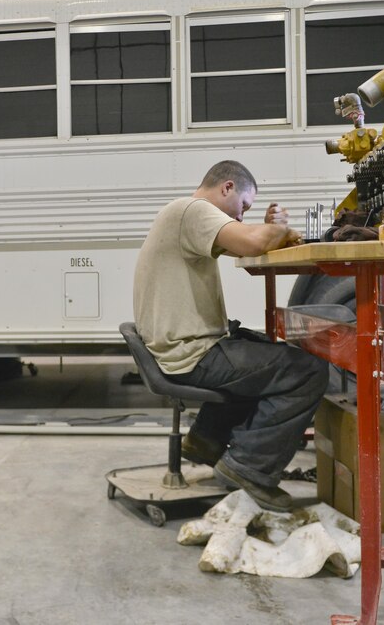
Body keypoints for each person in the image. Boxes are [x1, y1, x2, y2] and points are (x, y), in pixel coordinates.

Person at [132, 160, 328, 512]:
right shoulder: (192, 210)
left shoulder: (184, 216)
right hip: (190, 354)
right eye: (243, 206)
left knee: (263, 351)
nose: (240, 217)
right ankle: (249, 468)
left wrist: (272, 231)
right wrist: (277, 226)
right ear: (226, 188)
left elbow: (248, 241)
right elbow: (253, 243)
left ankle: (207, 440)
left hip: (182, 347)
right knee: (307, 370)